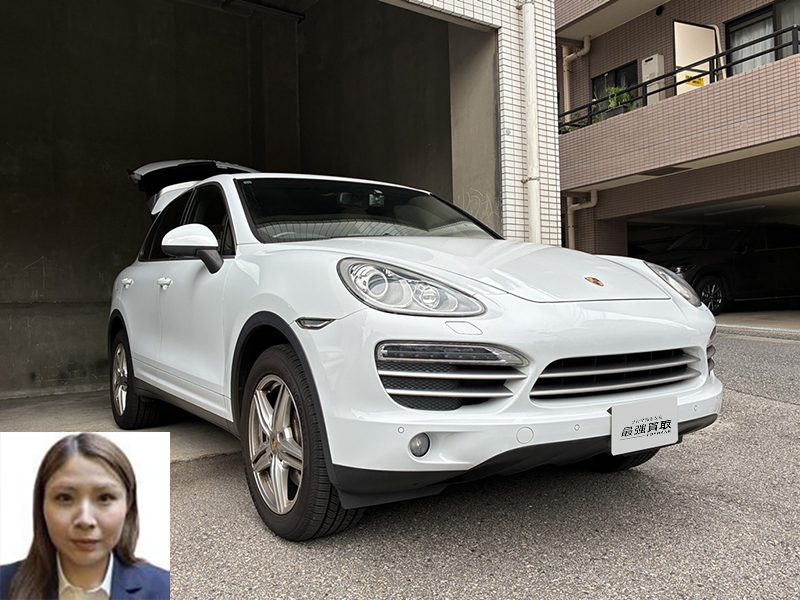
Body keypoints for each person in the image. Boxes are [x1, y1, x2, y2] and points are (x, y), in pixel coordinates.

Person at [0, 433, 169, 600]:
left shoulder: (164, 589)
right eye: (65, 498)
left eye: (105, 498)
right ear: (41, 503)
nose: (85, 520)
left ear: (128, 503)